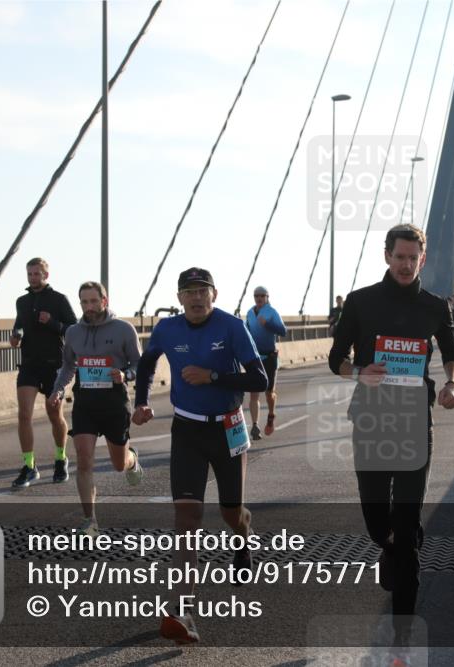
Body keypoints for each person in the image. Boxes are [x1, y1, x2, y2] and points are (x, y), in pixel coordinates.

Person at [328, 224, 454, 653]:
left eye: (413, 258)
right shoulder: (361, 302)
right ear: (387, 255)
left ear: (422, 260)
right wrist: (358, 373)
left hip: (412, 426)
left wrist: (451, 384)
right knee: (375, 520)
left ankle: (403, 636)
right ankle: (387, 544)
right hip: (369, 420)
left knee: (406, 533)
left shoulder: (435, 306)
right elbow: (336, 360)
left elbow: (452, 354)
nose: (406, 264)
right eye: (399, 256)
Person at [133, 268, 267, 645]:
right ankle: (182, 611)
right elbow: (147, 362)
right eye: (189, 292)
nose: (196, 298)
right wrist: (141, 401)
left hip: (228, 427)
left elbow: (259, 380)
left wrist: (212, 378)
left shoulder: (232, 327)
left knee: (230, 512)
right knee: (186, 518)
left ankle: (243, 533)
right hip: (188, 430)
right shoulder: (167, 329)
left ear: (214, 294)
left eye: (202, 291)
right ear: (179, 298)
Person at [47, 282, 143, 536]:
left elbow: (138, 364)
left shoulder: (124, 329)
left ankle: (132, 460)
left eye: (93, 301)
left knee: (119, 464)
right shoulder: (73, 333)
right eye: (84, 302)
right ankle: (90, 520)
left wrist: (125, 374)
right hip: (85, 403)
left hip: (114, 402)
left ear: (104, 300)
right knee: (84, 460)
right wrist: (58, 390)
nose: (88, 307)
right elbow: (68, 366)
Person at [9, 258, 78, 488]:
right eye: (29, 274)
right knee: (24, 415)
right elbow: (19, 324)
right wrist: (16, 335)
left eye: (37, 274)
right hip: (29, 364)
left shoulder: (58, 300)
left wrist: (52, 323)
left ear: (46, 275)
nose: (32, 278)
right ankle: (29, 466)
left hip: (53, 366)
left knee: (54, 414)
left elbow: (73, 330)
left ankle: (60, 459)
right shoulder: (22, 301)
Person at [245, 286, 287, 439]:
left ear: (267, 297)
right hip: (255, 358)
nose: (259, 298)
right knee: (254, 393)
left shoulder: (272, 312)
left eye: (262, 295)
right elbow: (246, 332)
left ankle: (271, 415)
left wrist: (268, 325)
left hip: (270, 357)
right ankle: (255, 425)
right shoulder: (250, 313)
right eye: (257, 295)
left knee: (269, 393)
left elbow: (283, 331)